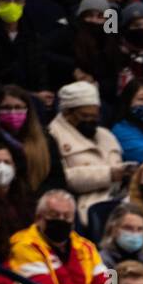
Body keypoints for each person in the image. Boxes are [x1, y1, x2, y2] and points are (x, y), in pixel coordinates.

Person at [9, 189, 110, 284]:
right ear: (39, 218)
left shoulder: (86, 245)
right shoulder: (24, 245)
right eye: (54, 215)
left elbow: (107, 278)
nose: (61, 220)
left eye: (67, 216)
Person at [48, 80, 126, 226]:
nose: (91, 120)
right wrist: (109, 174)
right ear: (66, 113)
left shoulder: (105, 134)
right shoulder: (52, 136)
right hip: (85, 208)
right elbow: (61, 178)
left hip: (119, 199)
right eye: (85, 116)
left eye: (95, 116)